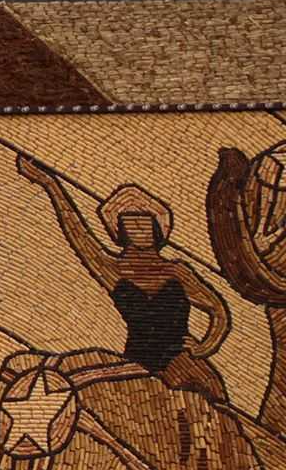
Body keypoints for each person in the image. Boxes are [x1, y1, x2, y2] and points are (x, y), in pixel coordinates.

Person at [21, 154, 231, 399]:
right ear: (120, 232)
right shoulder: (114, 271)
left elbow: (218, 311)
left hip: (181, 361)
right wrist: (50, 184)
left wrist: (204, 347)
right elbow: (78, 234)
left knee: (210, 396)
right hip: (138, 361)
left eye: (145, 224)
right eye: (132, 224)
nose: (139, 230)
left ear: (157, 230)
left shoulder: (176, 271)